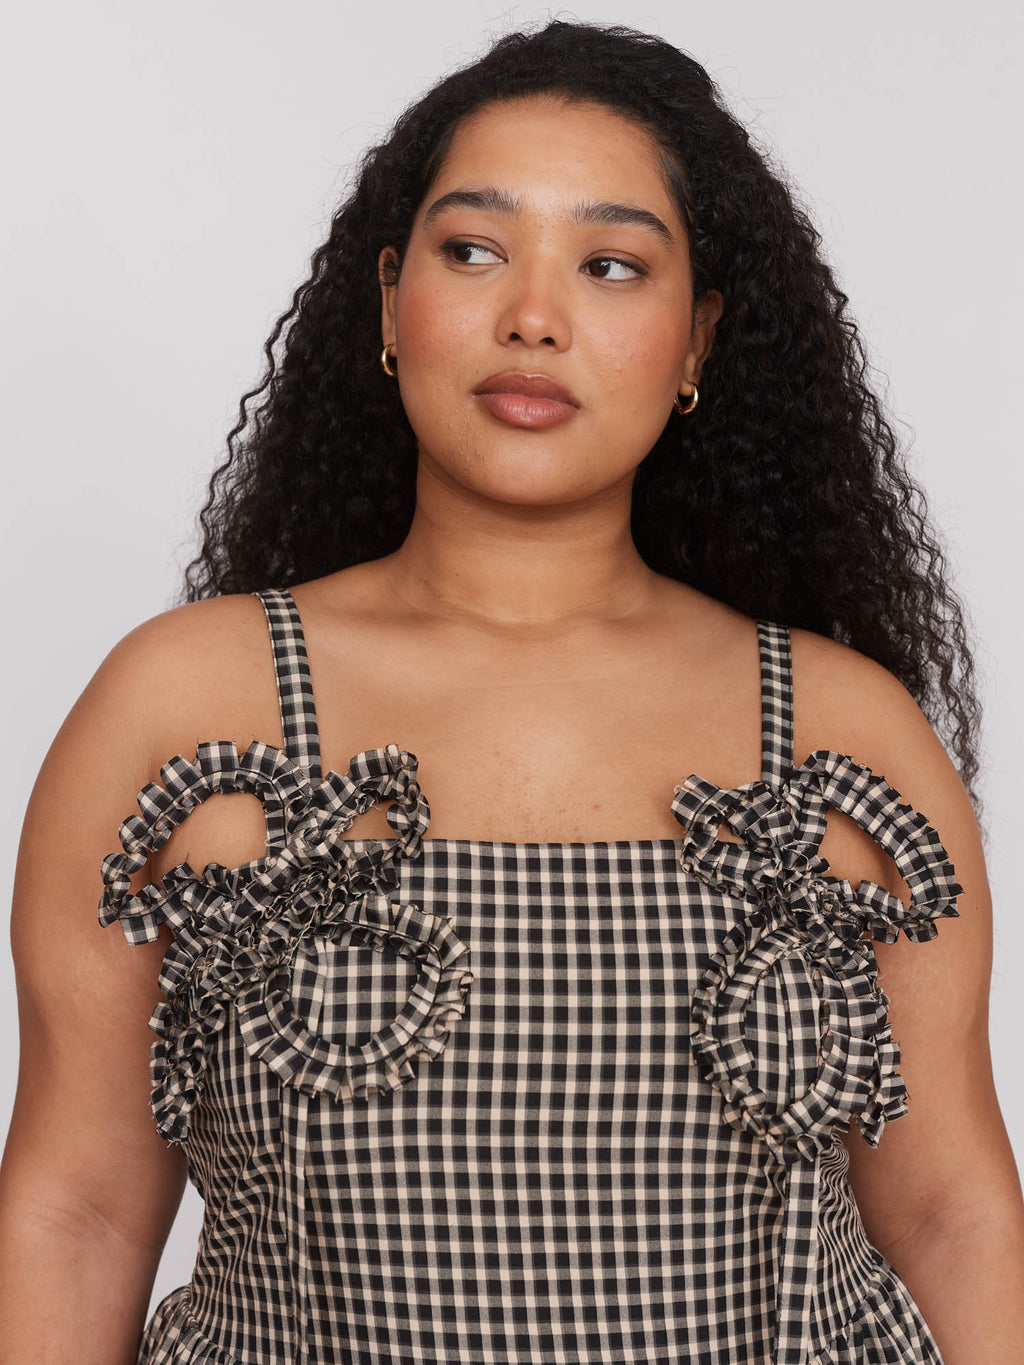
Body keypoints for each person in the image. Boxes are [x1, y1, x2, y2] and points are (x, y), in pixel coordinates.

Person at [1, 16, 1022, 1364]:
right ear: (388, 301)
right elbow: (73, 1210)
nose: (533, 316)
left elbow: (952, 1213)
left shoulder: (845, 737)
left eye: (611, 265)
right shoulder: (184, 712)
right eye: (474, 250)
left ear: (699, 339)